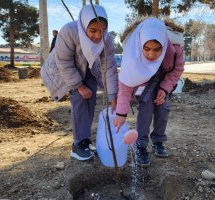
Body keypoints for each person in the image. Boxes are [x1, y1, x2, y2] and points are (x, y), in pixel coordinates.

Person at [40, 5, 118, 161]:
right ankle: (78, 144)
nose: (98, 36)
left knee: (91, 101)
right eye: (93, 31)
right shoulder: (69, 32)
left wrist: (113, 94)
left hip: (89, 69)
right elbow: (64, 61)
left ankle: (85, 140)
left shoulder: (106, 39)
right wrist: (79, 86)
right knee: (80, 99)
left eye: (102, 31)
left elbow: (109, 66)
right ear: (84, 26)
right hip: (64, 71)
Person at [113, 18, 185, 166]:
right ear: (140, 44)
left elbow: (176, 70)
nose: (151, 55)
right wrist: (121, 114)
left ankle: (158, 141)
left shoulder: (175, 50)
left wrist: (165, 89)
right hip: (144, 86)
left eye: (157, 49)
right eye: (147, 49)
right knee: (145, 110)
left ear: (164, 44)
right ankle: (141, 145)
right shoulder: (132, 54)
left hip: (163, 83)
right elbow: (125, 86)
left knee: (163, 109)